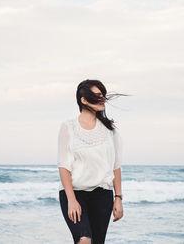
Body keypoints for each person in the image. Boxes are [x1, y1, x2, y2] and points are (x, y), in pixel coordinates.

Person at [57, 79, 128, 244]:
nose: (102, 99)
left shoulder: (110, 131)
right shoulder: (68, 127)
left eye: (103, 95)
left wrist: (118, 197)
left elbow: (115, 167)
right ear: (83, 100)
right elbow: (64, 166)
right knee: (84, 240)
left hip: (102, 195)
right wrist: (72, 200)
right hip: (75, 194)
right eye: (97, 96)